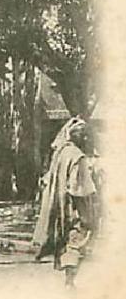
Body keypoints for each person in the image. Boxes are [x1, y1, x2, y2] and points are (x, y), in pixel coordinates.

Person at [33, 117, 97, 269]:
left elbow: (49, 180)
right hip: (73, 205)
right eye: (83, 134)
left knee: (63, 235)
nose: (86, 138)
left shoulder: (61, 152)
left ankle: (55, 256)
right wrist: (85, 214)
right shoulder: (77, 157)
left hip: (59, 203)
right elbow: (79, 188)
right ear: (76, 135)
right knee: (77, 240)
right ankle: (69, 281)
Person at [62, 216, 92, 288]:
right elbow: (79, 245)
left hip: (73, 256)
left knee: (71, 275)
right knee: (71, 274)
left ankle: (69, 287)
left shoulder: (76, 233)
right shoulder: (73, 232)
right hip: (71, 256)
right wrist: (87, 237)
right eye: (79, 224)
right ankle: (68, 287)